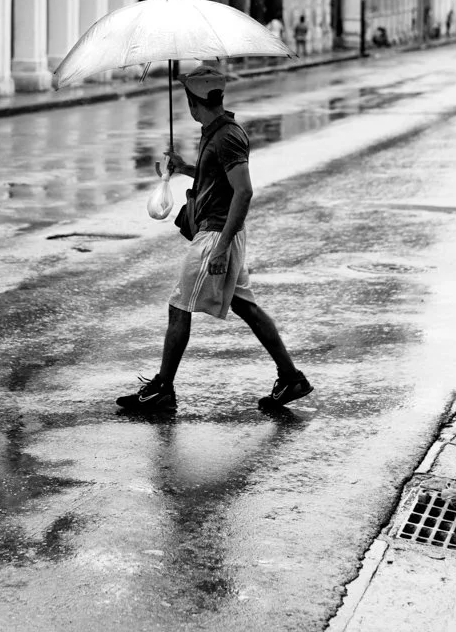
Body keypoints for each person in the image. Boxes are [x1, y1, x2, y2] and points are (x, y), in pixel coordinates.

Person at [117, 65, 312, 417]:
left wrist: (220, 248)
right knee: (245, 306)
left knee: (179, 308)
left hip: (216, 235)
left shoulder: (226, 136)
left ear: (194, 101)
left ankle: (162, 389)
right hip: (221, 232)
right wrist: (185, 167)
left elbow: (244, 191)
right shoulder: (215, 130)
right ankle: (291, 378)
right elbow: (219, 176)